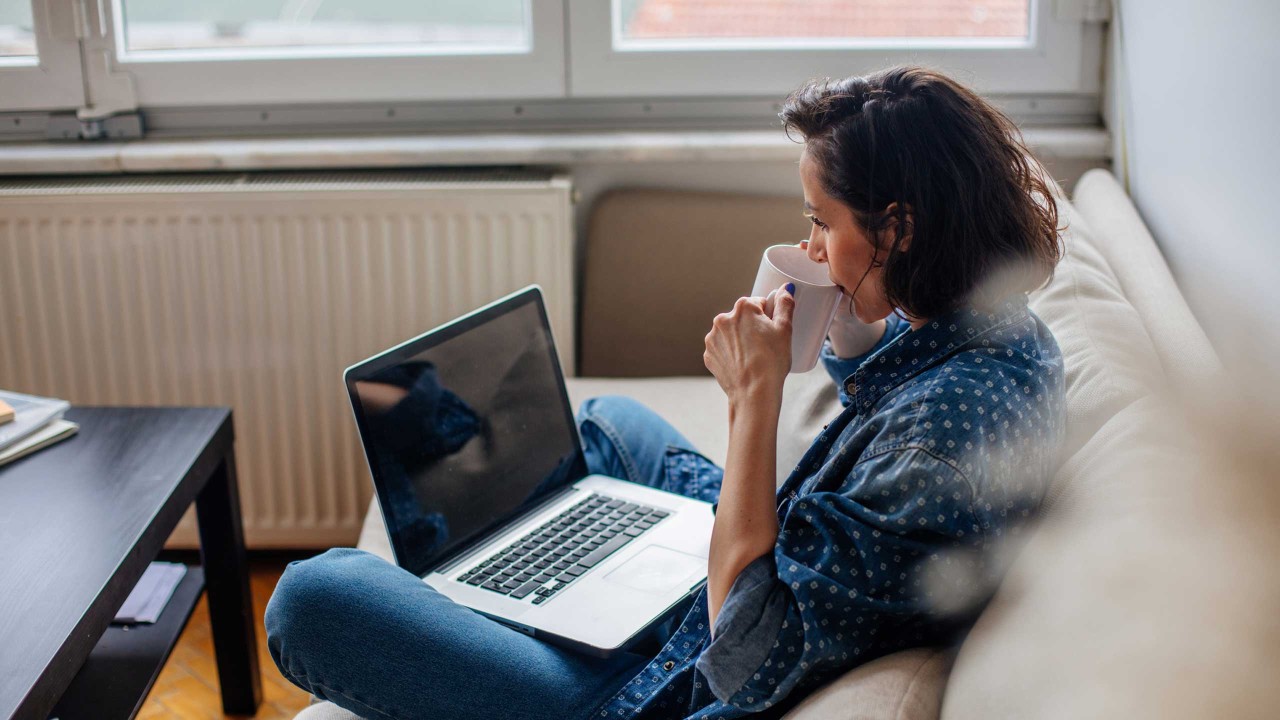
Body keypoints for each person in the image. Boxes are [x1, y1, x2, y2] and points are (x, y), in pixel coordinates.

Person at [265, 65, 1067, 720]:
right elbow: (891, 395)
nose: (808, 246)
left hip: (660, 688)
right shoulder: (995, 333)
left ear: (896, 229)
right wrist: (849, 323)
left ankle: (509, 596)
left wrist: (754, 398)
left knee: (311, 598)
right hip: (740, 582)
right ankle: (531, 579)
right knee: (608, 424)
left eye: (823, 223)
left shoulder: (939, 443)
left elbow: (746, 652)